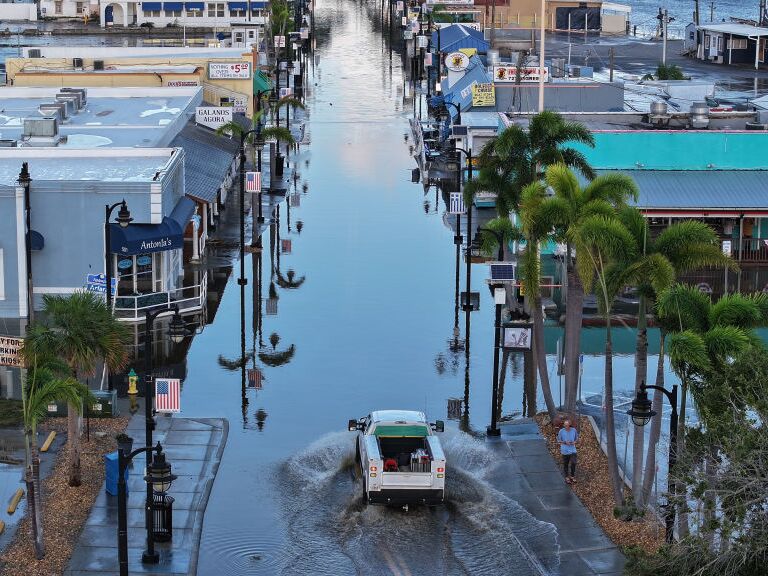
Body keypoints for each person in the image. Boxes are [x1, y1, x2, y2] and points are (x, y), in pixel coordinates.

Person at [557, 418, 578, 484]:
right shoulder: (561, 431)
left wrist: (574, 442)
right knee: (566, 464)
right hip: (565, 450)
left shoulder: (573, 430)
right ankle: (566, 477)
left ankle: (572, 476)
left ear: (569, 425)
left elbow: (576, 439)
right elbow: (558, 440)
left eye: (567, 425)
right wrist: (565, 442)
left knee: (573, 463)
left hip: (572, 450)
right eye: (564, 425)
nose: (565, 426)